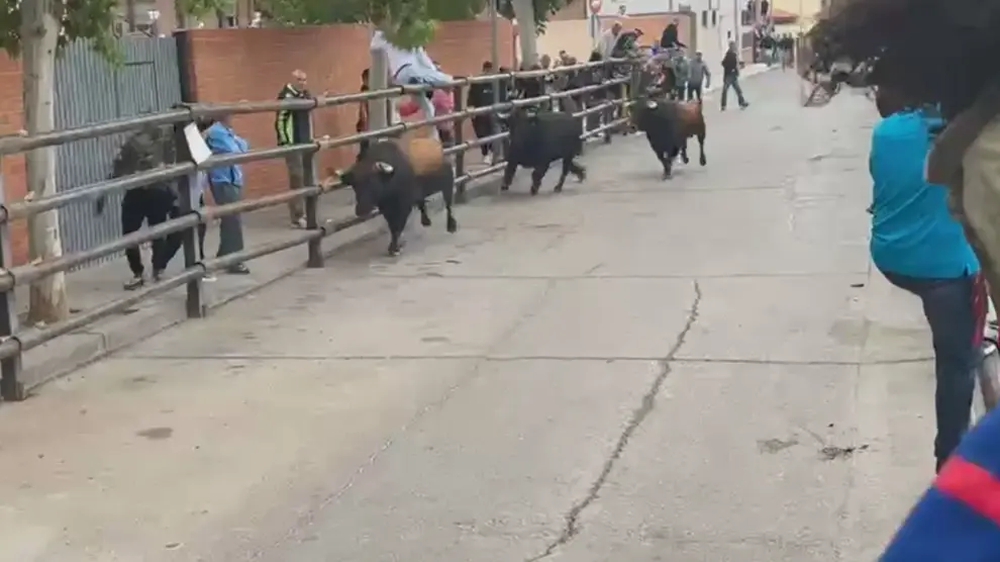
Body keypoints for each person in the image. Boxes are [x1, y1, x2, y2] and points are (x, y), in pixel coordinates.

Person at [870, 84, 986, 473]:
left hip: (891, 255)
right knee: (957, 363)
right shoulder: (963, 129)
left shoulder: (886, 129)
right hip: (947, 269)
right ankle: (951, 463)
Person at [106, 125, 183, 290]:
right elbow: (118, 167)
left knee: (144, 233)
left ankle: (147, 271)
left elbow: (173, 167)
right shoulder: (134, 144)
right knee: (148, 233)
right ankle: (151, 271)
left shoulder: (164, 142)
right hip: (144, 191)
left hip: (153, 191)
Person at [370, 29, 454, 141]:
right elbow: (425, 61)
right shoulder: (409, 40)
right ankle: (433, 137)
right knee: (447, 80)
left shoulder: (390, 36)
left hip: (402, 75)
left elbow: (373, 47)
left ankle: (433, 137)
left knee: (428, 107)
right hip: (410, 71)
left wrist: (381, 34)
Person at [201, 117, 250, 275]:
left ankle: (224, 256)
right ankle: (235, 261)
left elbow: (244, 147)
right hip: (223, 179)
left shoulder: (226, 131)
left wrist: (236, 142)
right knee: (233, 220)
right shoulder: (217, 132)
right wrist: (236, 142)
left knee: (230, 218)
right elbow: (235, 150)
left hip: (232, 178)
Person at [274, 69, 311, 229]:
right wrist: (285, 142)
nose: (303, 83)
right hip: (293, 143)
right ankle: (297, 217)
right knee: (297, 179)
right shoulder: (286, 96)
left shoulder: (304, 95)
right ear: (293, 80)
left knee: (307, 179)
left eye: (304, 80)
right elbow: (280, 120)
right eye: (300, 80)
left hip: (305, 142)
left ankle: (307, 213)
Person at [468, 60, 502, 165]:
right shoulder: (478, 82)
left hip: (492, 111)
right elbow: (471, 96)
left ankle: (493, 153)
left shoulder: (495, 81)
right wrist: (471, 109)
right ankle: (486, 153)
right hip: (481, 111)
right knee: (482, 133)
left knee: (493, 132)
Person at [720, 42, 749, 110]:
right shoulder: (729, 54)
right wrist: (731, 68)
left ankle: (742, 102)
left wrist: (739, 65)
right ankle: (723, 105)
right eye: (734, 46)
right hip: (729, 75)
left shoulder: (734, 54)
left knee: (738, 90)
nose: (735, 47)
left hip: (733, 75)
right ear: (731, 46)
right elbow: (724, 63)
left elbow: (735, 63)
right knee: (725, 90)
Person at [356, 68, 370, 162]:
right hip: (367, 127)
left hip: (367, 126)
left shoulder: (366, 92)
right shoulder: (365, 92)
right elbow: (363, 112)